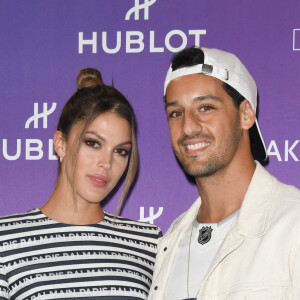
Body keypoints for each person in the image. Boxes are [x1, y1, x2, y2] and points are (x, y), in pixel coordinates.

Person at [148, 47, 300, 299]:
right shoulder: (170, 242)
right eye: (176, 113)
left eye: (205, 107)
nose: (187, 127)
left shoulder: (293, 225)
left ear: (246, 114)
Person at [0, 68, 161, 299]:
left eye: (121, 151)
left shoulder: (149, 243)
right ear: (60, 144)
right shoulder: (5, 241)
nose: (106, 163)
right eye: (93, 143)